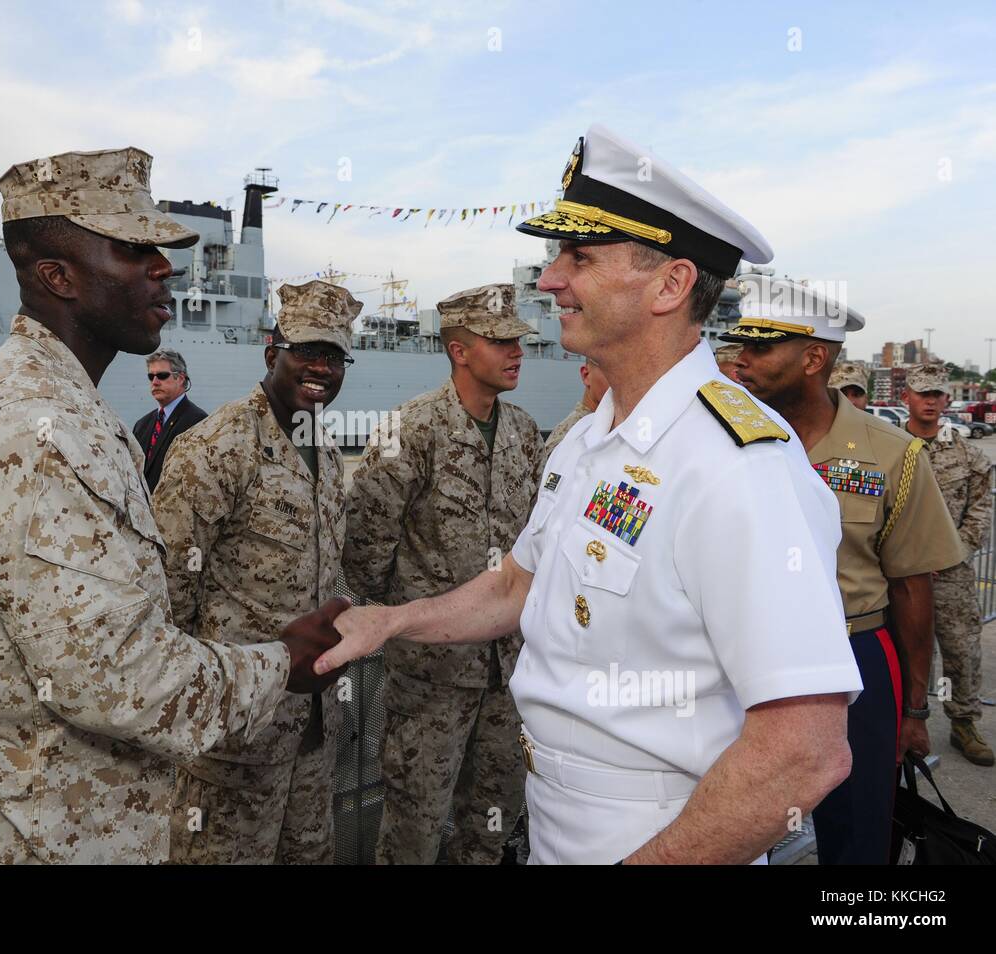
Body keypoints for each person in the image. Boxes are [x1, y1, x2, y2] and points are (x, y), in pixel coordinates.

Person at [315, 124, 864, 865]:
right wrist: (390, 621)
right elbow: (517, 585)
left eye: (579, 257)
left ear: (670, 284)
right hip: (556, 823)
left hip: (671, 834)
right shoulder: (587, 441)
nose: (549, 281)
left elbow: (805, 752)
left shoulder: (739, 465)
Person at [0, 146, 345, 865]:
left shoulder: (61, 403)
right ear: (57, 276)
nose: (164, 267)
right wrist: (281, 661)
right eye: (135, 251)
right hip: (51, 835)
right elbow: (114, 677)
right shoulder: (39, 424)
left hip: (69, 821)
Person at [723, 278, 966, 863]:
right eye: (741, 346)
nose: (741, 360)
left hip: (853, 658)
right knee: (726, 820)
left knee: (857, 829)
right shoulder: (719, 439)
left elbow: (911, 588)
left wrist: (912, 709)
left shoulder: (891, 453)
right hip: (736, 657)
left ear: (813, 358)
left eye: (761, 348)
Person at [153, 280, 359, 864]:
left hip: (313, 721)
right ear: (273, 354)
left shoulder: (319, 443)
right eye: (307, 351)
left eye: (335, 356)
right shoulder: (216, 448)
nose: (321, 367)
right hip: (237, 730)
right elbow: (168, 588)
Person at [341, 282, 542, 865]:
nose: (516, 352)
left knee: (491, 820)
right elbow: (366, 549)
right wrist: (407, 620)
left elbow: (535, 540)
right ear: (459, 350)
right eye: (500, 340)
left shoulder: (525, 434)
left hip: (507, 673)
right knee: (414, 826)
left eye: (518, 341)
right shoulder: (413, 430)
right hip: (431, 676)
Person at [902, 363, 993, 766]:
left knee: (960, 650)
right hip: (901, 573)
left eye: (937, 394)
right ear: (906, 397)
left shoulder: (968, 455)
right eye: (923, 393)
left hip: (951, 574)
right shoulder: (888, 448)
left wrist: (947, 555)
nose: (930, 401)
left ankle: (963, 723)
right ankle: (905, 722)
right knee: (906, 649)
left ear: (947, 399)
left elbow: (980, 513)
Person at [132, 348, 207, 493]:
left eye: (162, 375)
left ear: (180, 378)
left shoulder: (198, 422)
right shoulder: (142, 425)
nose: (155, 382)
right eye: (151, 376)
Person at [544, 358, 609, 459]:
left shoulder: (609, 424)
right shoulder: (567, 438)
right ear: (586, 375)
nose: (618, 381)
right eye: (609, 371)